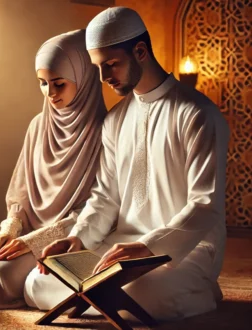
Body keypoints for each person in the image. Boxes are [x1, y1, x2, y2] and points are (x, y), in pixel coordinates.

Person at [24, 7, 229, 321]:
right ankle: (105, 297)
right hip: (119, 248)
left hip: (182, 250)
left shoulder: (198, 114)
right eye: (99, 67)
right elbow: (106, 197)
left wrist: (148, 246)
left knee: (148, 292)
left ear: (140, 51)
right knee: (38, 282)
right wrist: (77, 239)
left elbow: (205, 204)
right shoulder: (116, 120)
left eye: (112, 65)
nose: (105, 78)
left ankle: (199, 288)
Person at [0, 29, 106, 309]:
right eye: (43, 84)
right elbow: (19, 195)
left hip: (72, 238)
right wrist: (9, 231)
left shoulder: (106, 132)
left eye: (59, 84)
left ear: (83, 80)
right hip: (26, 233)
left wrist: (34, 242)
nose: (51, 93)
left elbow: (98, 208)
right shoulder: (38, 125)